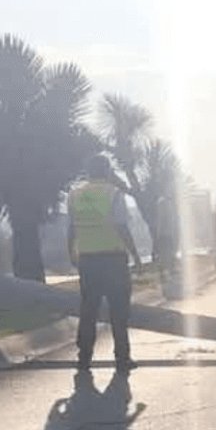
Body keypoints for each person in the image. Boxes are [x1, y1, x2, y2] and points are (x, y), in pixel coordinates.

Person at [68, 154, 140, 374]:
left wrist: (71, 252)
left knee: (88, 309)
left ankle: (84, 358)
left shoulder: (75, 194)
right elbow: (121, 227)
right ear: (108, 172)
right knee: (119, 311)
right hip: (113, 259)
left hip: (88, 260)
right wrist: (135, 255)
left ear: (88, 171)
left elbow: (71, 227)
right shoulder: (114, 194)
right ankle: (122, 358)